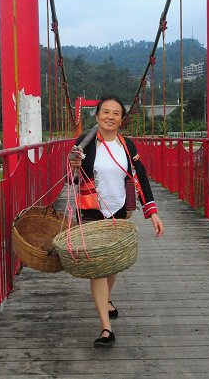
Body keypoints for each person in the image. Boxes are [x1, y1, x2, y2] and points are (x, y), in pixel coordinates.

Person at [68, 95, 164, 348]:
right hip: (90, 211)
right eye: (105, 112)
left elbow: (141, 178)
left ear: (122, 119)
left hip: (119, 210)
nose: (110, 117)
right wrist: (74, 167)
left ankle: (106, 299)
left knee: (111, 265)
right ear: (97, 115)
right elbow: (72, 181)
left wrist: (152, 212)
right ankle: (105, 328)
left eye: (116, 113)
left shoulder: (128, 145)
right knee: (99, 267)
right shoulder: (84, 142)